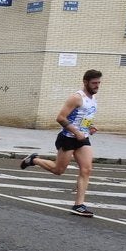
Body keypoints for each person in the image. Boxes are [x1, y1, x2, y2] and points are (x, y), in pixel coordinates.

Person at [20, 69, 102, 217]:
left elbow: (82, 118)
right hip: (68, 138)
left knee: (86, 169)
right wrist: (76, 132)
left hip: (82, 138)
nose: (97, 86)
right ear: (85, 82)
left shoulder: (93, 98)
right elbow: (61, 118)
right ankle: (34, 160)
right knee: (58, 170)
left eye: (98, 83)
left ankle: (79, 205)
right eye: (94, 83)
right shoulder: (76, 98)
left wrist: (89, 127)